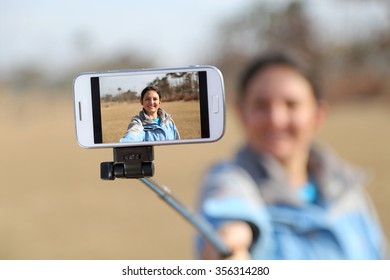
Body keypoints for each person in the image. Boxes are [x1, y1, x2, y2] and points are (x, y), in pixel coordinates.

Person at [196, 53, 388, 260]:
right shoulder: (231, 180)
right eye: (261, 105)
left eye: (291, 104)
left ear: (318, 114)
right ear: (241, 113)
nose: (276, 119)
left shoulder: (347, 188)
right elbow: (228, 209)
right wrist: (232, 239)